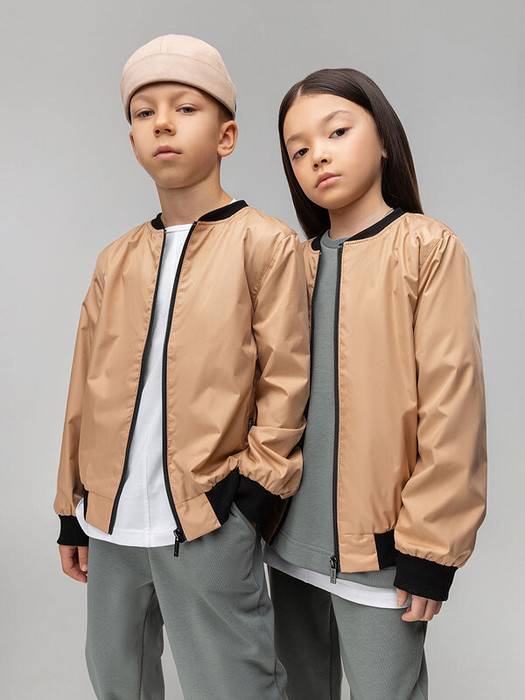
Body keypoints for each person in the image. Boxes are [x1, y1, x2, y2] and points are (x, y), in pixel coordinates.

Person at [53, 34, 310, 700]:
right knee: (117, 679)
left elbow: (287, 381)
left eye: (185, 108)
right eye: (144, 113)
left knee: (233, 684)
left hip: (206, 517)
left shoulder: (265, 243)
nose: (162, 123)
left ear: (226, 136)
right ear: (132, 139)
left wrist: (251, 501)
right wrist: (70, 508)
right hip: (110, 522)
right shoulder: (116, 259)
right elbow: (85, 389)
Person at [263, 68, 487, 700]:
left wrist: (431, 547)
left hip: (383, 548)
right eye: (298, 150)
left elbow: (453, 404)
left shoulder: (427, 248)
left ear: (384, 138)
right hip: (287, 543)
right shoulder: (294, 263)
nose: (318, 156)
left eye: (337, 132)